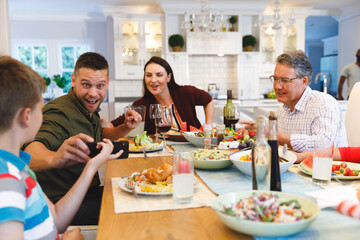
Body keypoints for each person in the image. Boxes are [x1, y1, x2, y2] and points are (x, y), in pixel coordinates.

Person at [0, 56, 122, 239]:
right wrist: (55, 158)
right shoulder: (7, 180)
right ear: (26, 117)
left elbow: (56, 220)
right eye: (40, 109)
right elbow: (34, 149)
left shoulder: (20, 169)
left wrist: (91, 166)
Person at [24, 52, 141, 225]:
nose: (93, 93)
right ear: (73, 80)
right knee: (135, 210)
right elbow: (31, 153)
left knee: (138, 194)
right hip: (64, 204)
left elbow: (99, 135)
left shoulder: (86, 107)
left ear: (107, 83)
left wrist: (125, 127)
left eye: (100, 86)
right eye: (86, 85)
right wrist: (55, 158)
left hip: (87, 192)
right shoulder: (59, 113)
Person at [245, 50, 348, 152]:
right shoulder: (283, 109)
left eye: (285, 80)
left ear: (304, 81)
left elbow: (324, 144)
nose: (277, 86)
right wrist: (257, 130)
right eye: (275, 79)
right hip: (295, 167)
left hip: (330, 167)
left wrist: (272, 133)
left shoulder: (324, 103)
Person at [110, 56, 214, 134]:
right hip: (161, 152)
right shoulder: (142, 104)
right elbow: (114, 124)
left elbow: (208, 99)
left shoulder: (186, 92)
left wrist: (208, 124)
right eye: (148, 75)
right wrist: (98, 119)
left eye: (159, 75)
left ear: (168, 77)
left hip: (193, 147)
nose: (153, 80)